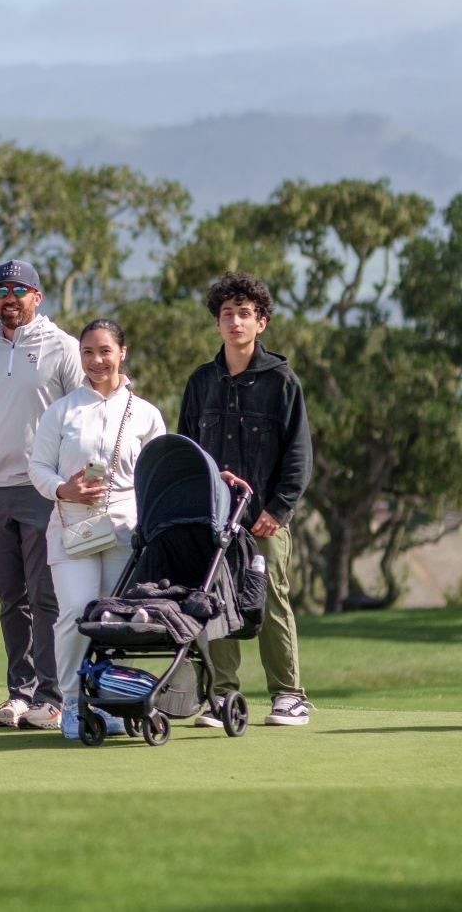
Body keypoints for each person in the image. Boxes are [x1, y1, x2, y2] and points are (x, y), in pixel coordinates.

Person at [178, 271, 315, 729]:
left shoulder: (282, 381)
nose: (235, 322)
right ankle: (223, 697)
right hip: (215, 521)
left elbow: (299, 455)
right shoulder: (201, 382)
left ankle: (289, 696)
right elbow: (187, 449)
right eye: (226, 314)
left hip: (264, 521)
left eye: (244, 314)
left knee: (271, 601)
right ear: (217, 323)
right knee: (214, 603)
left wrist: (278, 510)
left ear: (262, 323)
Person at [0, 260, 81, 731]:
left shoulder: (63, 348)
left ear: (37, 296)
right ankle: (19, 694)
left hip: (42, 491)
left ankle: (50, 696)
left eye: (19, 289)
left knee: (45, 596)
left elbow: (79, 421)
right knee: (11, 600)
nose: (10, 297)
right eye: (1, 289)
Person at [27, 319, 166, 739]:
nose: (96, 360)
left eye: (105, 351)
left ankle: (105, 701)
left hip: (126, 531)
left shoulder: (145, 414)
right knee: (74, 612)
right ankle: (72, 702)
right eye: (87, 352)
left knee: (111, 620)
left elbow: (157, 475)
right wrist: (62, 488)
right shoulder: (63, 410)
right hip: (72, 525)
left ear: (122, 352)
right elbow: (37, 468)